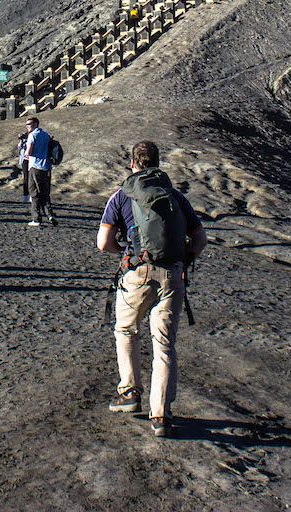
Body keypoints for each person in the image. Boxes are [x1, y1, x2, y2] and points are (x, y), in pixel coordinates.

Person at [97, 140, 208, 438]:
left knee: (126, 330)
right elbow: (200, 238)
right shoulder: (176, 197)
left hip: (136, 273)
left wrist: (124, 252)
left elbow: (102, 242)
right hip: (173, 275)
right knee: (164, 345)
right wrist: (185, 258)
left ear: (132, 163)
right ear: (158, 163)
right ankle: (160, 415)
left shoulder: (121, 196)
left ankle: (130, 392)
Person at [20, 117, 57, 227]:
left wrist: (26, 153)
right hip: (46, 167)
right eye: (26, 124)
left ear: (35, 124)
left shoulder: (33, 135)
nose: (27, 126)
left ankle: (36, 218)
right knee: (45, 193)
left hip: (35, 166)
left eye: (29, 124)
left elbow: (29, 152)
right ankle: (50, 214)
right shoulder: (45, 134)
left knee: (34, 192)